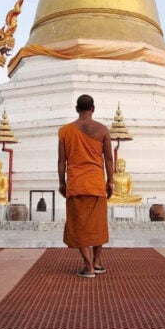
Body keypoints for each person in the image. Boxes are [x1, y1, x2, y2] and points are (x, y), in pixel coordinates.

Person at [58, 94, 114, 278]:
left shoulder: (65, 131)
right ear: (93, 108)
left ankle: (89, 266)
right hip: (97, 183)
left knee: (79, 224)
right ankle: (96, 263)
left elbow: (62, 161)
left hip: (76, 184)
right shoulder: (103, 130)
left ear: (76, 109)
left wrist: (62, 183)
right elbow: (109, 159)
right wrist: (110, 181)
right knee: (98, 224)